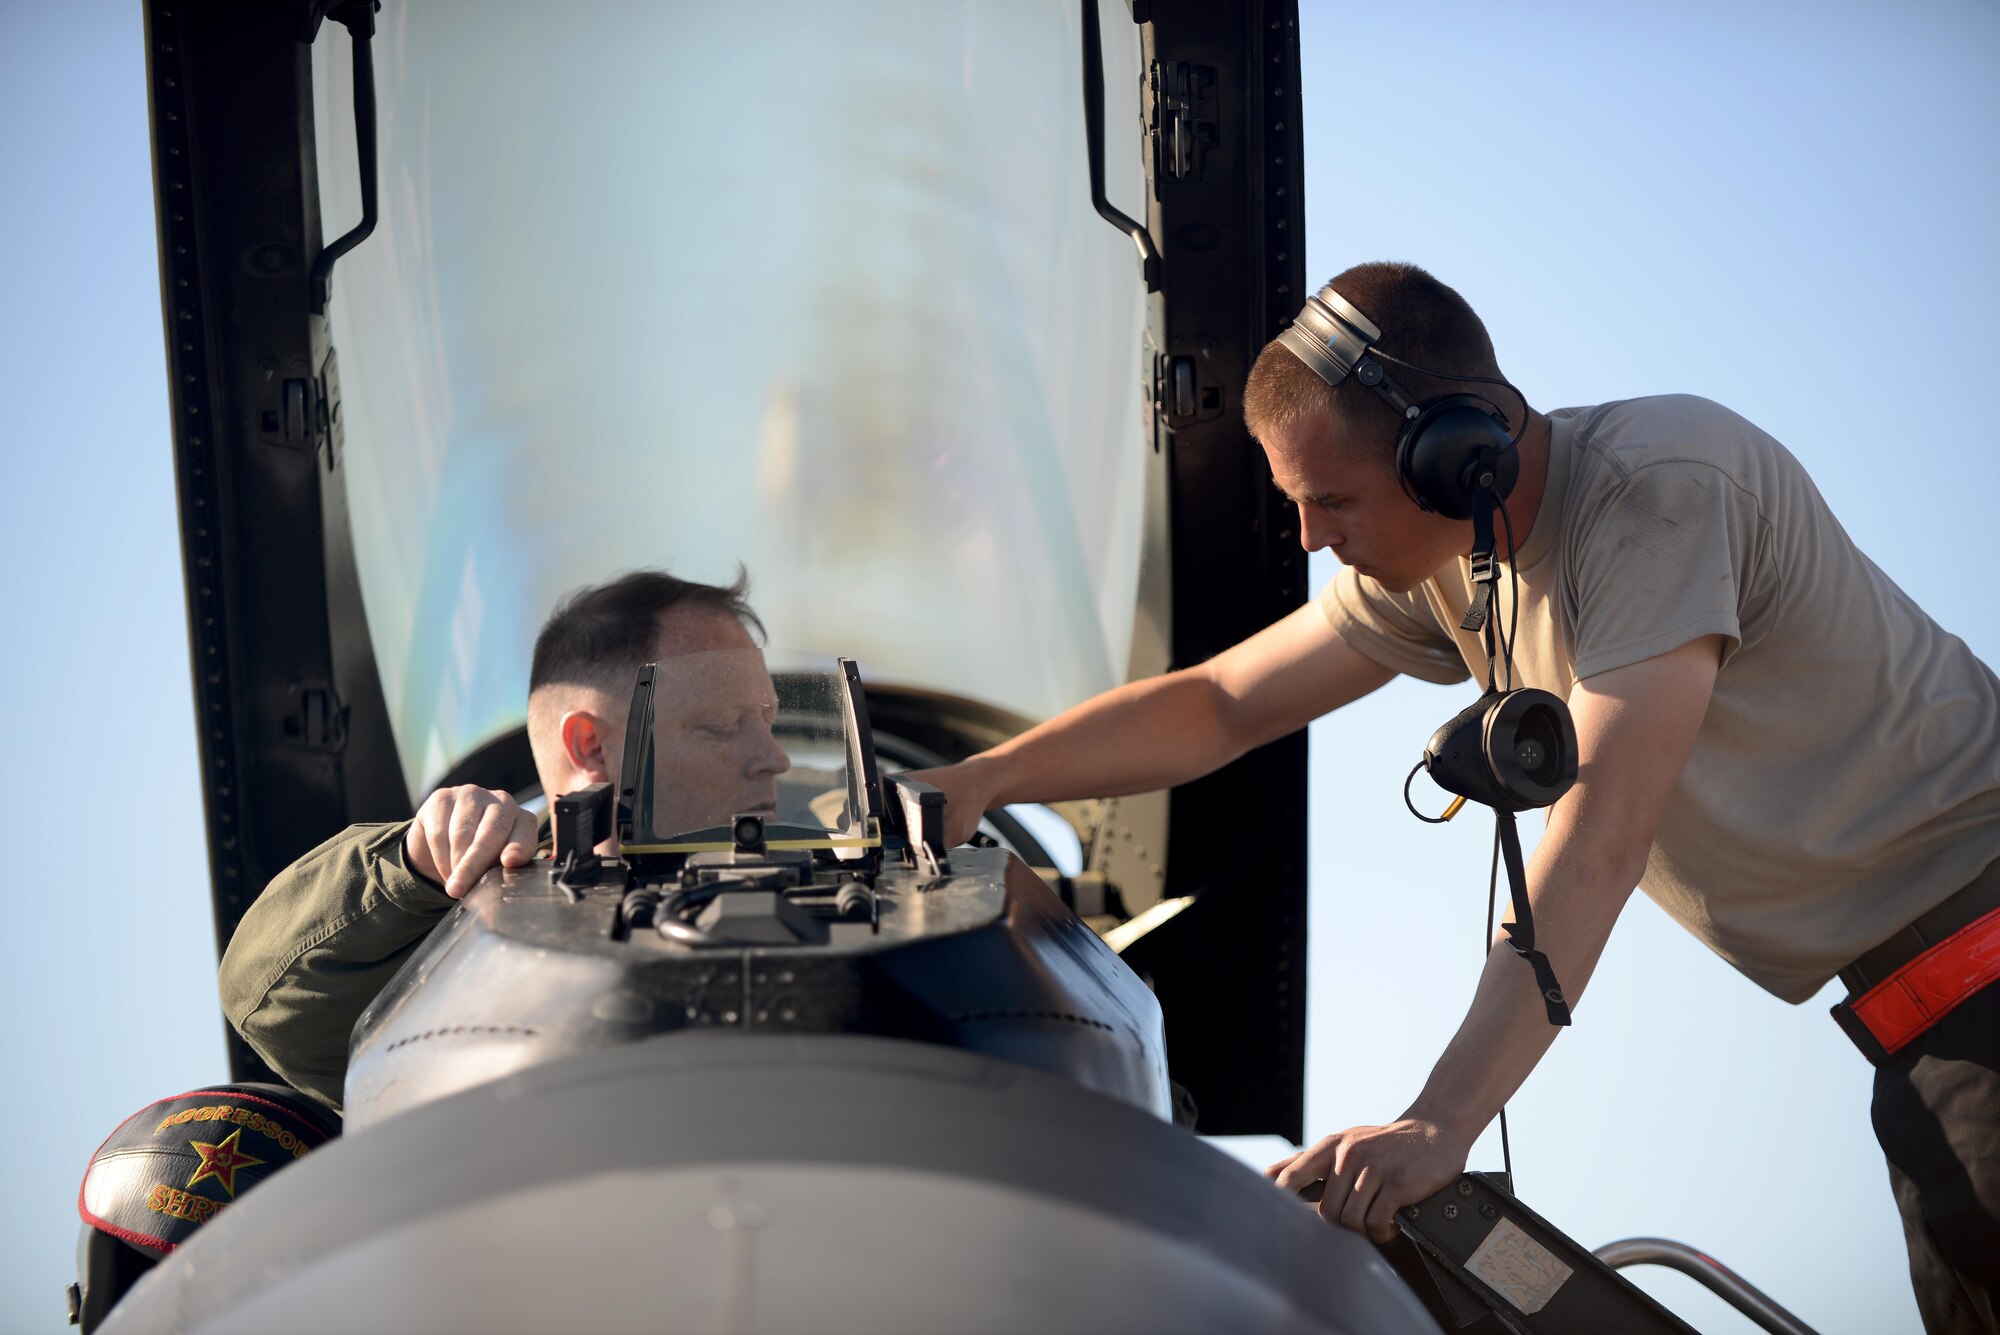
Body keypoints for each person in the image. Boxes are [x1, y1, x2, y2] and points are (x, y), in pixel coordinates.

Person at [911, 262, 2000, 1334]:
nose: (1310, 540)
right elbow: (1219, 704)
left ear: (1454, 457)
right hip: (1928, 1025)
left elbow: (1598, 835)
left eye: (1332, 500)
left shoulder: (1662, 484)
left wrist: (1438, 1124)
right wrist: (981, 782)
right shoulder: (1443, 567)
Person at [219, 568, 791, 1112]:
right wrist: (419, 863)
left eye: (768, 720)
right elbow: (267, 997)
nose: (775, 759)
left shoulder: (852, 845)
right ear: (590, 746)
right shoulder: (480, 908)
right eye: (721, 725)